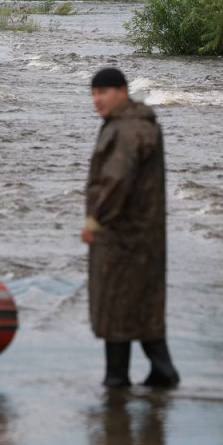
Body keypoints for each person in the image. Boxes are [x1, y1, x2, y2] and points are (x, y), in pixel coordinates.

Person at [82, 67, 180, 389]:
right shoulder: (141, 123)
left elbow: (117, 180)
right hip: (145, 234)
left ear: (122, 91)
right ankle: (159, 370)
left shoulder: (125, 130)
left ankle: (117, 377)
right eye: (94, 93)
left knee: (115, 304)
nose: (97, 99)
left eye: (103, 92)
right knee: (141, 304)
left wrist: (96, 219)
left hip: (121, 234)